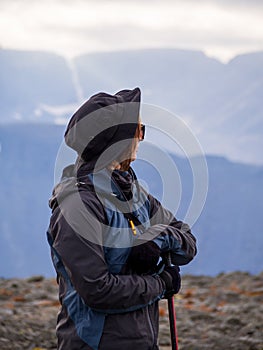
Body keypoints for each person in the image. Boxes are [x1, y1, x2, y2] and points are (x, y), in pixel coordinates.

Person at [47, 87, 197, 350]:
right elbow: (98, 291)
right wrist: (160, 284)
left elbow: (187, 242)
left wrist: (157, 239)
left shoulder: (133, 193)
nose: (141, 137)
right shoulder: (78, 207)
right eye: (138, 130)